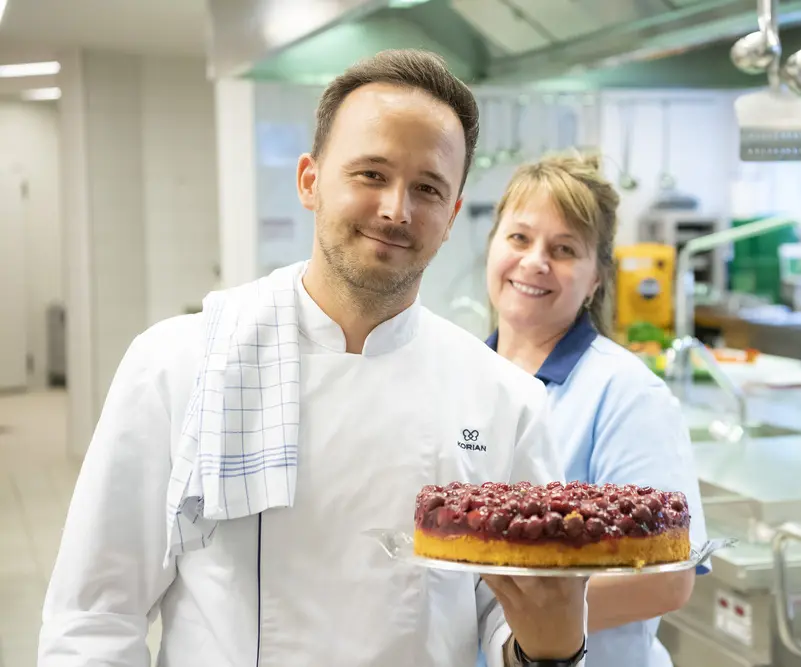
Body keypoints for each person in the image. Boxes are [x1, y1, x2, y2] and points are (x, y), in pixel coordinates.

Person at [38, 49, 589, 667]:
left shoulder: (502, 398)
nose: (395, 209)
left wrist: (554, 648)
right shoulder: (177, 364)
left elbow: (512, 618)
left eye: (428, 188)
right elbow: (93, 618)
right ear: (310, 181)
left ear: (453, 214)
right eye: (371, 174)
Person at [480, 151, 709, 667]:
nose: (535, 261)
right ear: (493, 244)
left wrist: (507, 619)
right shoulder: (460, 373)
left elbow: (668, 579)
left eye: (564, 249)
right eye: (519, 237)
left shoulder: (626, 394)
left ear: (596, 279)